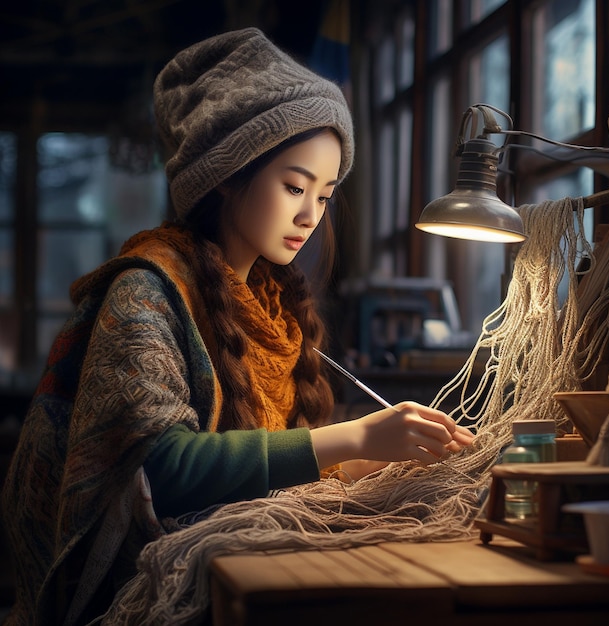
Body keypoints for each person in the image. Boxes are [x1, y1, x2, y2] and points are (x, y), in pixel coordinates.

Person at [1, 27, 474, 626]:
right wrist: (353, 439)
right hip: (143, 594)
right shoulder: (145, 292)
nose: (310, 215)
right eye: (294, 186)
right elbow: (158, 472)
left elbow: (269, 466)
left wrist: (385, 454)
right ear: (226, 174)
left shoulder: (271, 306)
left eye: (326, 196)